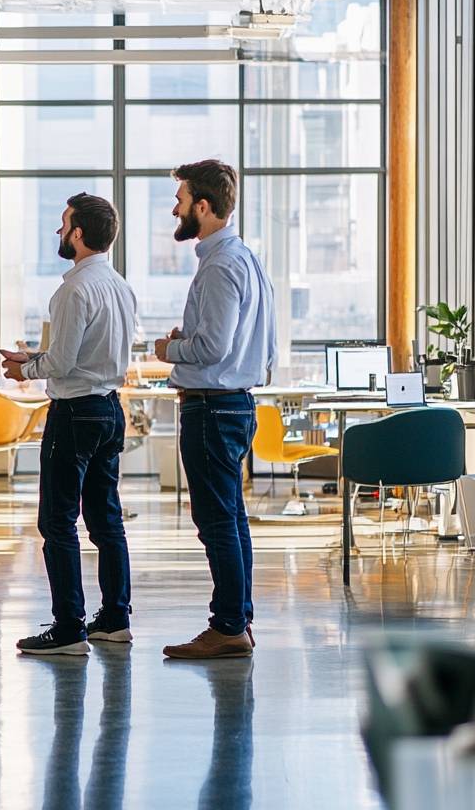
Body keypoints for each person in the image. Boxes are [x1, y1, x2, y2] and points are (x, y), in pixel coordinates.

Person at [2, 193, 137, 656]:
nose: (59, 233)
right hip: (109, 410)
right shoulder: (120, 286)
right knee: (106, 520)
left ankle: (68, 628)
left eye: (63, 225)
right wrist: (36, 360)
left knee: (57, 521)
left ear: (78, 234)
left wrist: (24, 369)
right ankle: (115, 618)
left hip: (75, 413)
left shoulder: (73, 290)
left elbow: (62, 362)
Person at [154, 160, 276, 660]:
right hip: (233, 405)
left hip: (213, 409)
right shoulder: (240, 256)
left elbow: (216, 347)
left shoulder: (222, 264)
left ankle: (227, 625)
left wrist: (171, 351)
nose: (175, 208)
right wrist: (195, 343)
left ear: (203, 207)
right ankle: (237, 620)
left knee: (217, 522)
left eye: (180, 200)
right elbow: (256, 347)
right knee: (230, 519)